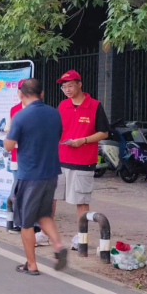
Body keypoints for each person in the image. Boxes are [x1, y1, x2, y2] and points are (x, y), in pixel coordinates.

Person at [4, 78, 67, 275]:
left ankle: (31, 264)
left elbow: (9, 145)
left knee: (26, 222)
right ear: (42, 94)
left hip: (29, 176)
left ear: (21, 94)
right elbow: (58, 136)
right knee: (43, 215)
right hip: (51, 173)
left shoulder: (20, 116)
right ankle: (58, 245)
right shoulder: (54, 114)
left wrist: (9, 135)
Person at [53, 70, 109, 250]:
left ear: (79, 84)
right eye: (64, 87)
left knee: (81, 200)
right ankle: (46, 233)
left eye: (70, 86)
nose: (67, 90)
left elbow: (103, 132)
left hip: (83, 161)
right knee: (50, 197)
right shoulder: (63, 105)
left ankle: (81, 237)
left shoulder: (95, 105)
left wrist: (83, 140)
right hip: (60, 159)